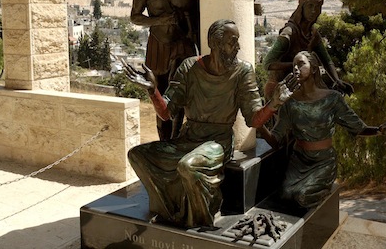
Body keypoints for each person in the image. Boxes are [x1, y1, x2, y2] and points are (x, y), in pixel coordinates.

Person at [123, 19, 298, 228]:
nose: (238, 47)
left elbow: (253, 119)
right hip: (188, 138)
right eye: (232, 42)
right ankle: (169, 210)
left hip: (218, 142)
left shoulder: (242, 72)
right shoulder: (189, 67)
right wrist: (153, 91)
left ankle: (201, 217)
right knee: (138, 155)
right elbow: (166, 113)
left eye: (237, 41)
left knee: (188, 166)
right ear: (215, 43)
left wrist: (274, 103)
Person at [260, 51, 386, 209]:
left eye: (301, 64)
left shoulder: (332, 99)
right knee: (285, 194)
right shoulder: (290, 103)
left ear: (314, 68)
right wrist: (259, 125)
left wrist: (378, 130)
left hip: (323, 162)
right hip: (299, 161)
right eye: (294, 65)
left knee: (302, 197)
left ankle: (324, 190)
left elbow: (358, 128)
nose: (296, 68)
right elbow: (276, 140)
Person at [130, 0, 200, 141]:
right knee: (157, 93)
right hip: (158, 45)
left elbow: (199, 14)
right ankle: (164, 142)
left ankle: (176, 141)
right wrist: (159, 21)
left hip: (183, 45)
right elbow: (135, 17)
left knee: (179, 96)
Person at [262, 0, 353, 100]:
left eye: (318, 7)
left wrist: (337, 80)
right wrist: (298, 65)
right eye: (310, 6)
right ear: (302, 7)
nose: (314, 11)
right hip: (282, 88)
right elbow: (267, 64)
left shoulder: (313, 34)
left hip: (303, 85)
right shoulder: (289, 33)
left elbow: (326, 61)